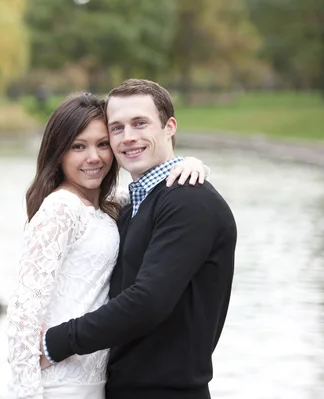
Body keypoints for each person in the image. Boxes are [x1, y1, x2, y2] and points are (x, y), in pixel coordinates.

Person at [41, 80, 237, 399]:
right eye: (116, 128)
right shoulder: (134, 203)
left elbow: (148, 301)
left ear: (169, 126)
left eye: (140, 123)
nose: (128, 137)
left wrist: (56, 342)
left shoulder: (189, 202)